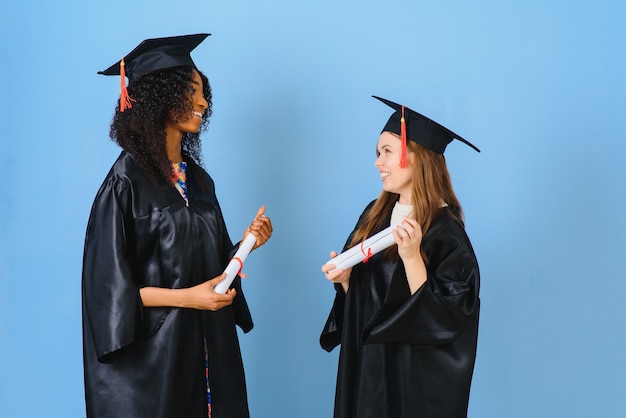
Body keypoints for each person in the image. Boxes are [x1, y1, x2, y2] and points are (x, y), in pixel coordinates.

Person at [82, 34, 272, 418]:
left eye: (204, 93)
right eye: (191, 91)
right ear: (159, 96)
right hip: (154, 365)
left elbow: (212, 269)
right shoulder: (124, 184)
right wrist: (188, 298)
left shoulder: (199, 181)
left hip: (207, 356)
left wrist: (248, 244)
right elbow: (109, 295)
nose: (203, 102)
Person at [320, 96, 480, 418]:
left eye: (387, 152)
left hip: (408, 382)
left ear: (416, 156)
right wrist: (347, 282)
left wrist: (411, 257)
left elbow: (446, 320)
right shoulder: (374, 216)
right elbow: (368, 307)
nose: (378, 162)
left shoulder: (446, 233)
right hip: (368, 371)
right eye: (378, 153)